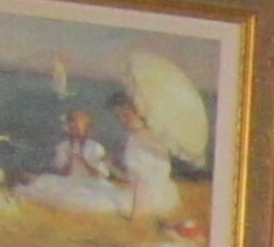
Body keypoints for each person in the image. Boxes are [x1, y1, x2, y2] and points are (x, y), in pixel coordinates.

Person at [25, 107, 125, 213]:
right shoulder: (63, 147)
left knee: (95, 200)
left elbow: (101, 175)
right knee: (45, 186)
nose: (74, 130)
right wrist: (71, 160)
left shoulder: (95, 147)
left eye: (78, 127)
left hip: (91, 183)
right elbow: (64, 173)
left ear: (86, 128)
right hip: (70, 181)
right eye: (71, 127)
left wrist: (83, 161)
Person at [112, 88, 182, 221]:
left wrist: (134, 215)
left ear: (140, 114)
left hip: (145, 198)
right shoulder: (148, 136)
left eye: (126, 115)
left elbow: (140, 180)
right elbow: (134, 177)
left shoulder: (141, 138)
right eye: (118, 116)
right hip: (156, 193)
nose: (121, 120)